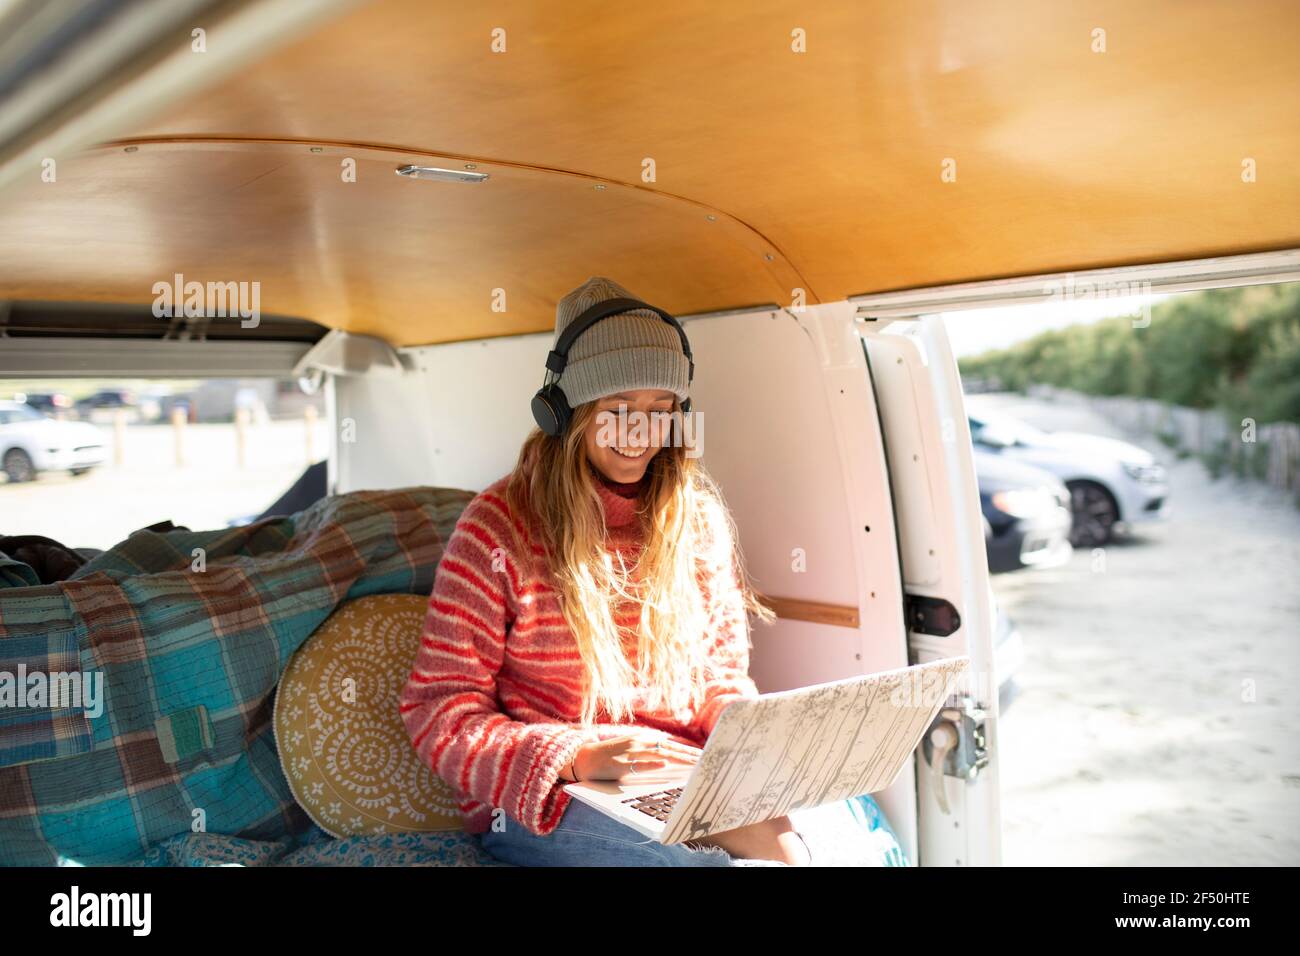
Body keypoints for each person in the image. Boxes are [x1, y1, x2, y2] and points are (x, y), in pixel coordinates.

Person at [399, 275, 816, 866]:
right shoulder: (497, 528)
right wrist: (572, 757)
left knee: (809, 841)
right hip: (546, 795)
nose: (641, 434)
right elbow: (439, 710)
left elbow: (720, 679)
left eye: (662, 410)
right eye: (618, 409)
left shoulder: (694, 520)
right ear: (565, 411)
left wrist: (745, 741)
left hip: (681, 773)